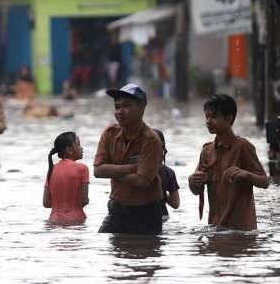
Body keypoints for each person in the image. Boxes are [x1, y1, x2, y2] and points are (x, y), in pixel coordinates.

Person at [188, 94, 269, 231]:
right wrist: (192, 180)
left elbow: (265, 182)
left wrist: (245, 174)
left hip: (242, 228)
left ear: (229, 119)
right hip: (216, 226)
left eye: (214, 117)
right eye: (206, 117)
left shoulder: (243, 147)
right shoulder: (206, 151)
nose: (208, 121)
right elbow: (196, 191)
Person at [94, 83, 164, 235]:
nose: (119, 111)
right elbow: (98, 171)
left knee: (143, 254)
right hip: (116, 209)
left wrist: (111, 170)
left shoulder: (151, 140)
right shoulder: (110, 133)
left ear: (141, 107)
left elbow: (142, 181)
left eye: (125, 106)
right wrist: (131, 168)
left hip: (146, 213)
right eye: (117, 106)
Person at [43, 132, 89, 225]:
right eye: (78, 144)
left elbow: (46, 203)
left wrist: (60, 204)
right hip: (76, 220)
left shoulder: (51, 169)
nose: (82, 148)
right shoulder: (82, 168)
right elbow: (84, 200)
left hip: (53, 221)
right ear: (69, 150)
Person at [152, 129, 180, 220]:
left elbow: (175, 204)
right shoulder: (168, 172)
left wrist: (161, 190)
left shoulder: (135, 169)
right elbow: (175, 204)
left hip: (142, 218)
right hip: (162, 217)